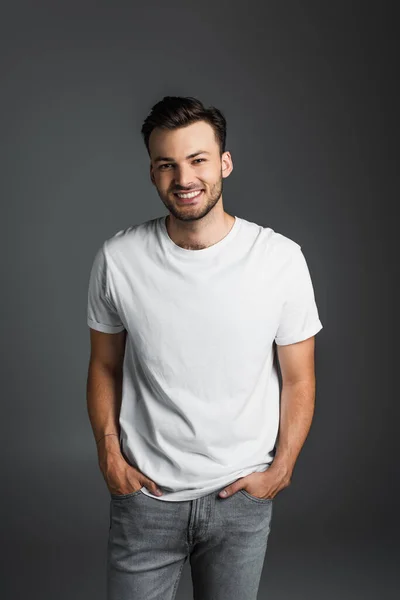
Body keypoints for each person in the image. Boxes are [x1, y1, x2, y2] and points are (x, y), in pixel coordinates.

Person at [86, 95, 323, 600]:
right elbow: (104, 365)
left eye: (197, 160)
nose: (184, 178)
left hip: (240, 499)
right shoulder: (118, 258)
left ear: (224, 163)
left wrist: (281, 469)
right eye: (167, 164)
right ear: (152, 173)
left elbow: (299, 377)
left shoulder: (279, 260)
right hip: (145, 499)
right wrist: (109, 454)